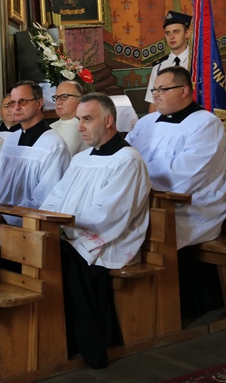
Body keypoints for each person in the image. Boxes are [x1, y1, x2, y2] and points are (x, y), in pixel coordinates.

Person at [41, 93, 151, 368]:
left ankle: (88, 341)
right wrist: (48, 221)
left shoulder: (127, 159)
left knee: (62, 259)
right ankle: (60, 338)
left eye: (87, 119)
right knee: (42, 251)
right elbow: (55, 197)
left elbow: (108, 215)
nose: (80, 127)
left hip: (109, 239)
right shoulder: (81, 158)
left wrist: (64, 227)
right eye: (79, 119)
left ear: (109, 120)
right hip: (73, 233)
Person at [127, 66, 226, 317]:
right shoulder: (147, 122)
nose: (156, 95)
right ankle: (136, 307)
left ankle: (168, 307)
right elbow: (124, 157)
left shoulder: (206, 124)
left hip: (194, 206)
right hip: (151, 199)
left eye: (163, 89)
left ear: (184, 90)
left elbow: (184, 175)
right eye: (154, 89)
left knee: (137, 226)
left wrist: (132, 179)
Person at [0, 80, 71, 219]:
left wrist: (9, 217)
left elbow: (46, 197)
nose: (16, 107)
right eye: (12, 103)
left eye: (23, 102)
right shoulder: (11, 140)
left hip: (30, 222)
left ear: (39, 103)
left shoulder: (53, 145)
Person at [145, 11, 192, 113]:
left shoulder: (198, 63)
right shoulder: (159, 67)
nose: (171, 37)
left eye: (176, 32)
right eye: (168, 33)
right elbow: (153, 103)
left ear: (187, 33)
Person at [49, 80, 90, 155]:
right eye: (56, 97)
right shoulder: (51, 127)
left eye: (64, 97)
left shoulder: (82, 128)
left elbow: (60, 157)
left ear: (79, 100)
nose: (58, 102)